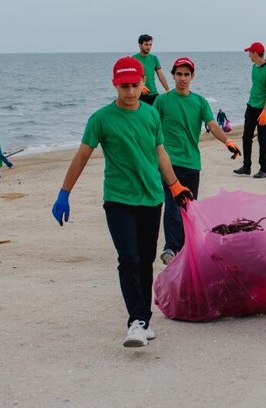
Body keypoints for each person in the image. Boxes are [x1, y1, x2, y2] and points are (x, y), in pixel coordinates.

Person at [50, 56, 194, 349]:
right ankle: (137, 321)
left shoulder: (151, 115)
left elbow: (160, 153)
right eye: (123, 86)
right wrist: (64, 193)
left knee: (145, 260)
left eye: (134, 85)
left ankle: (143, 319)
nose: (129, 91)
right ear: (114, 85)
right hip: (118, 199)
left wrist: (175, 186)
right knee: (128, 258)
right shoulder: (101, 119)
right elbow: (82, 155)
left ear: (143, 83)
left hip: (151, 198)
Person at [154, 57, 241, 264]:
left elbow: (212, 125)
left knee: (189, 207)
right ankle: (171, 247)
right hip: (169, 162)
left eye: (186, 74)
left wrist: (227, 141)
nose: (182, 78)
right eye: (179, 74)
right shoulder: (162, 101)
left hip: (192, 162)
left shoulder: (200, 102)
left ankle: (186, 248)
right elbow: (150, 126)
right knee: (172, 204)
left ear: (192, 76)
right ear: (173, 75)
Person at [234, 41, 266, 178]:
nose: (249, 56)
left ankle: (264, 169)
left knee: (263, 139)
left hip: (264, 109)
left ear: (255, 53)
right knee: (246, 136)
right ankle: (246, 166)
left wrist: (265, 111)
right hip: (251, 106)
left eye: (250, 53)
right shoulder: (254, 67)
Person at [133, 34, 170, 105]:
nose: (148, 47)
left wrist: (167, 90)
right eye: (146, 44)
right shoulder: (134, 59)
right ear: (140, 45)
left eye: (150, 45)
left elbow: (160, 75)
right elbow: (132, 77)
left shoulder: (154, 58)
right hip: (140, 94)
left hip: (153, 93)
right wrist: (141, 86)